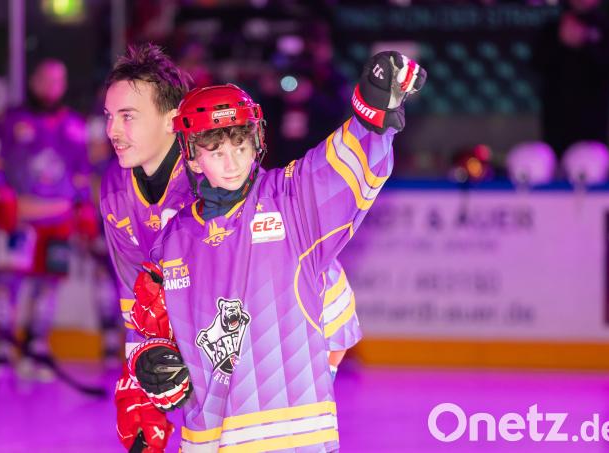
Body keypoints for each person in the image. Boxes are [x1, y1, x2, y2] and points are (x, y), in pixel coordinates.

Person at [126, 51, 424, 452]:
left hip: (292, 441)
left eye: (241, 146)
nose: (232, 163)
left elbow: (341, 161)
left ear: (258, 141)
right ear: (193, 158)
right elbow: (152, 333)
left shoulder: (291, 199)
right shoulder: (173, 239)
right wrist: (153, 364)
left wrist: (373, 106)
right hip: (205, 441)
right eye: (216, 152)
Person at [0, 59, 98, 380]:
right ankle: (3, 347)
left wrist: (84, 207)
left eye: (58, 80)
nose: (51, 86)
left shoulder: (75, 126)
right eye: (46, 79)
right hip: (20, 217)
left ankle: (36, 346)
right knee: (8, 286)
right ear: (33, 81)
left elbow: (81, 173)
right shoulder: (8, 120)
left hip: (58, 219)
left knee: (48, 287)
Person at [535, 0, 609, 156]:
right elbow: (537, 64)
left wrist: (586, 42)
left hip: (594, 118)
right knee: (556, 165)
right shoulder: (552, 27)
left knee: (592, 167)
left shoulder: (608, 27)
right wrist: (561, 42)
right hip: (557, 117)